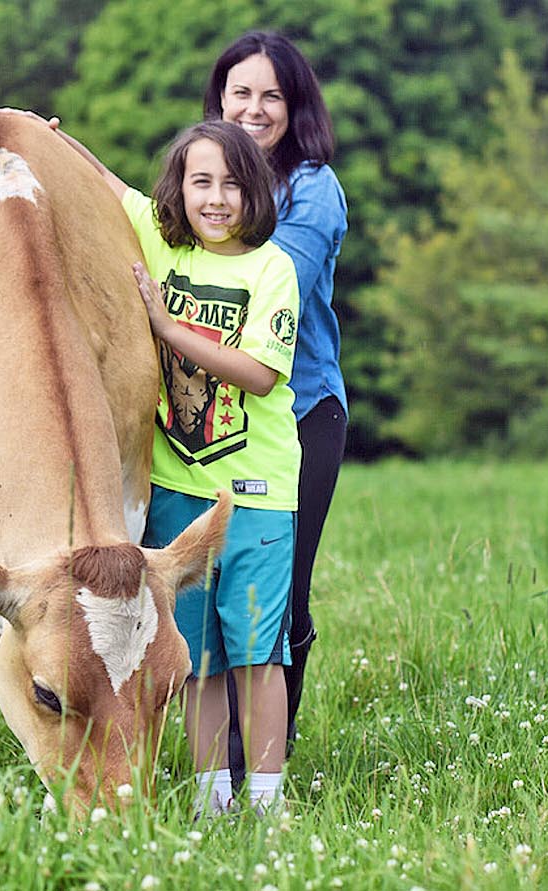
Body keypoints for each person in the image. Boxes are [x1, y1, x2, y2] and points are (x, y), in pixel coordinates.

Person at [42, 114, 300, 815]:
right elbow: (106, 183)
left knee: (256, 654)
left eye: (232, 184)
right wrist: (50, 135)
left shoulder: (271, 268)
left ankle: (267, 801)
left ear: (256, 192)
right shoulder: (159, 240)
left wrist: (166, 328)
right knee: (199, 657)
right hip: (175, 488)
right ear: (178, 189)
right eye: (200, 182)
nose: (215, 198)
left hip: (256, 491)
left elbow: (258, 374)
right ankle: (212, 796)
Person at [203, 31, 348, 774]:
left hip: (299, 414)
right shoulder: (202, 180)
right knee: (214, 591)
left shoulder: (313, 189)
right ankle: (218, 759)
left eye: (272, 97)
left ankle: (260, 754)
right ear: (220, 100)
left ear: (295, 109)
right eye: (241, 93)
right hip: (213, 421)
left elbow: (265, 289)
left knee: (280, 594)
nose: (254, 109)